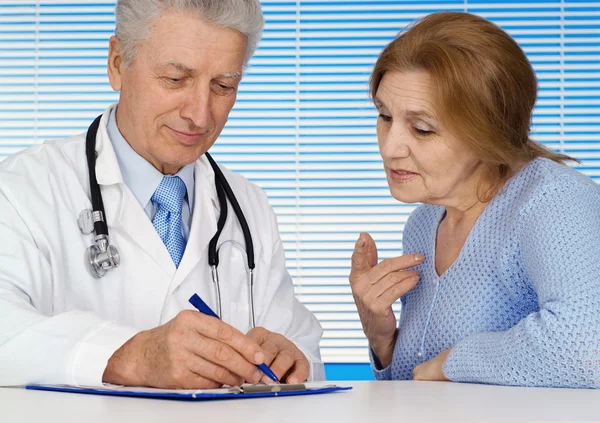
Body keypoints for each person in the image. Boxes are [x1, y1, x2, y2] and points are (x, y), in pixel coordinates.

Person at [0, 0, 324, 389]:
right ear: (118, 63)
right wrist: (127, 356)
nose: (201, 115)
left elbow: (304, 349)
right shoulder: (22, 190)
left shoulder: (248, 206)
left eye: (223, 86)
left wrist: (290, 360)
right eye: (175, 79)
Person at [349, 11, 600, 388]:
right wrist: (383, 341)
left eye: (422, 128)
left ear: (489, 131)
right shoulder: (422, 224)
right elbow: (419, 387)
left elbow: (586, 350)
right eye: (385, 116)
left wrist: (455, 361)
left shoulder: (551, 199)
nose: (389, 147)